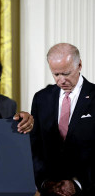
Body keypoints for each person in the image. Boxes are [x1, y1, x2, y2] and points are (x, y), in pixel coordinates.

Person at [30, 43, 95, 196]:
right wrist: (44, 182)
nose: (61, 80)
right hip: (50, 190)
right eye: (56, 74)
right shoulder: (41, 98)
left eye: (66, 73)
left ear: (79, 65)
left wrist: (78, 183)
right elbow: (34, 146)